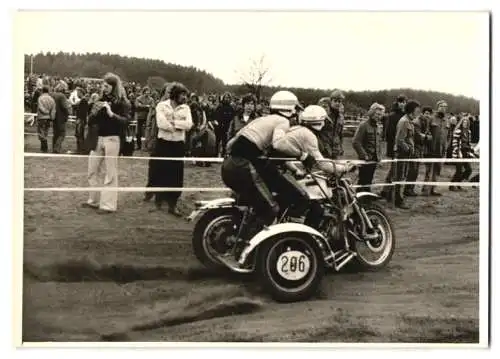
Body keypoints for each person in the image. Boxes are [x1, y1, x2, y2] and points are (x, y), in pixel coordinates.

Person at [221, 90, 300, 242]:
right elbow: (279, 144)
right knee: (271, 208)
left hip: (229, 165)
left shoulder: (262, 120)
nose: (296, 112)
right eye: (295, 108)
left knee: (258, 203)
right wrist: (302, 155)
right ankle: (247, 245)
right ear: (290, 108)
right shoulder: (283, 122)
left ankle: (244, 235)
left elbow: (230, 143)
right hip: (243, 166)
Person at [273, 104, 356, 229]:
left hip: (276, 171)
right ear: (320, 122)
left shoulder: (297, 129)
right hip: (277, 173)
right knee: (315, 208)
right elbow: (322, 164)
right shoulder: (309, 135)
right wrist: (344, 168)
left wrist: (295, 169)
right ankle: (308, 238)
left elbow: (285, 154)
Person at [81, 72, 131, 214]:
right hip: (98, 138)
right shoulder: (100, 100)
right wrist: (93, 113)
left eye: (107, 86)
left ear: (114, 87)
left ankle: (108, 205)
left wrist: (111, 114)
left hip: (113, 139)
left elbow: (126, 122)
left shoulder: (123, 103)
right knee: (92, 170)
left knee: (110, 173)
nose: (104, 88)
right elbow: (90, 122)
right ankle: (94, 200)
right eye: (103, 85)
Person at [151, 82, 193, 216]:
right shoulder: (162, 105)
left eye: (186, 95)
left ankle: (173, 204)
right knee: (161, 170)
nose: (185, 98)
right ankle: (159, 199)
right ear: (175, 95)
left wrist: (174, 123)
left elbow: (189, 125)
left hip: (178, 145)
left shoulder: (186, 108)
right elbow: (161, 123)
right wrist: (174, 127)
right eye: (182, 95)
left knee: (176, 174)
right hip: (163, 143)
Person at [352, 103, 385, 193]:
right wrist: (364, 155)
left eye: (381, 115)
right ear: (372, 113)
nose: (379, 116)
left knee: (369, 179)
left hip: (374, 159)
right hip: (365, 160)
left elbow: (378, 144)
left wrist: (379, 157)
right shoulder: (363, 125)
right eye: (377, 114)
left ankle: (367, 196)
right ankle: (360, 198)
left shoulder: (378, 127)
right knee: (363, 180)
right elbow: (356, 142)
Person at [393, 100, 420, 209]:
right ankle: (398, 201)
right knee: (399, 177)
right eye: (417, 111)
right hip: (401, 154)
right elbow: (400, 140)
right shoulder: (404, 121)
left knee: (401, 176)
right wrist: (408, 149)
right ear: (411, 111)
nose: (418, 113)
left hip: (405, 154)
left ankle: (394, 198)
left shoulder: (409, 121)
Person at [450, 116, 473, 191]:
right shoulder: (458, 131)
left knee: (469, 170)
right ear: (461, 123)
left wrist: (471, 151)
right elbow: (454, 143)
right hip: (458, 152)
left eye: (467, 122)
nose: (465, 123)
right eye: (464, 122)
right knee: (459, 170)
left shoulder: (468, 132)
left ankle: (458, 183)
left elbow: (469, 143)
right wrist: (458, 153)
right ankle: (452, 185)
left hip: (466, 152)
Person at [36, 85, 56, 153]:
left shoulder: (40, 98)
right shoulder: (51, 99)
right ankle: (44, 147)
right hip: (48, 118)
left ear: (42, 91)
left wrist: (46, 112)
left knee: (41, 132)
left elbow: (40, 107)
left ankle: (44, 147)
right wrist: (52, 117)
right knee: (46, 132)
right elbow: (53, 109)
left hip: (41, 117)